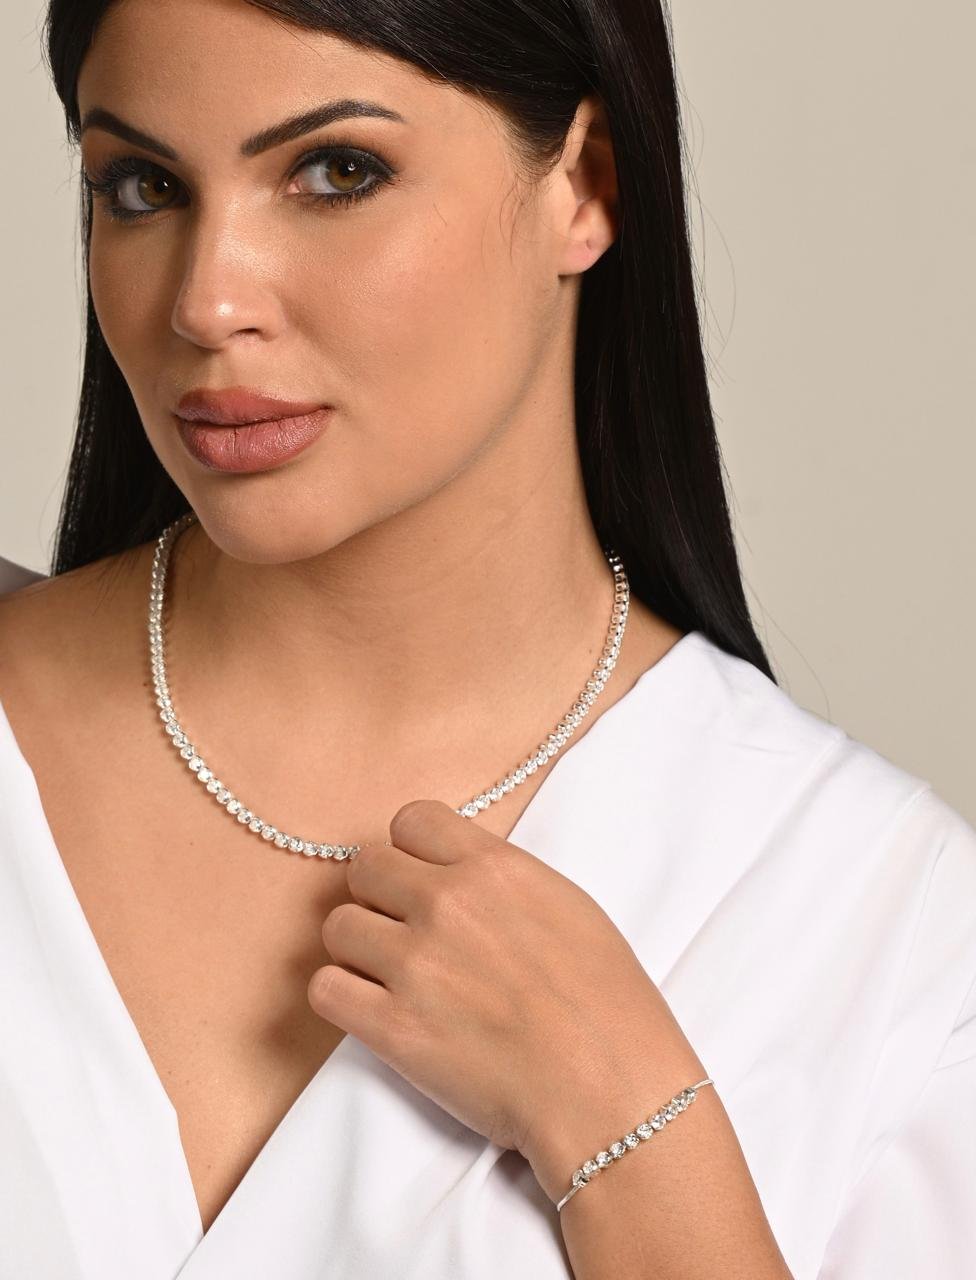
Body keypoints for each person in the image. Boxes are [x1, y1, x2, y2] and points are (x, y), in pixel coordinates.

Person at [0, 1, 973, 1277]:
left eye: (336, 171)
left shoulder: (886, 932)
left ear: (586, 183)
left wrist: (634, 1137)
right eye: (144, 185)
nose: (208, 299)